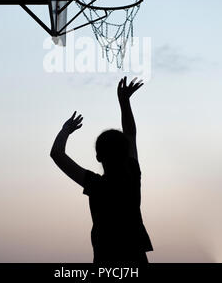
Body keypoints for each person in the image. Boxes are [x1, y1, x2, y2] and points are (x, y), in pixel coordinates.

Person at [50, 77, 153, 266]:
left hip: (106, 259)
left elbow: (56, 154)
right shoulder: (132, 175)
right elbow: (130, 133)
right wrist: (124, 101)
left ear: (98, 157)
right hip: (136, 257)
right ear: (125, 153)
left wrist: (66, 129)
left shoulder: (96, 185)